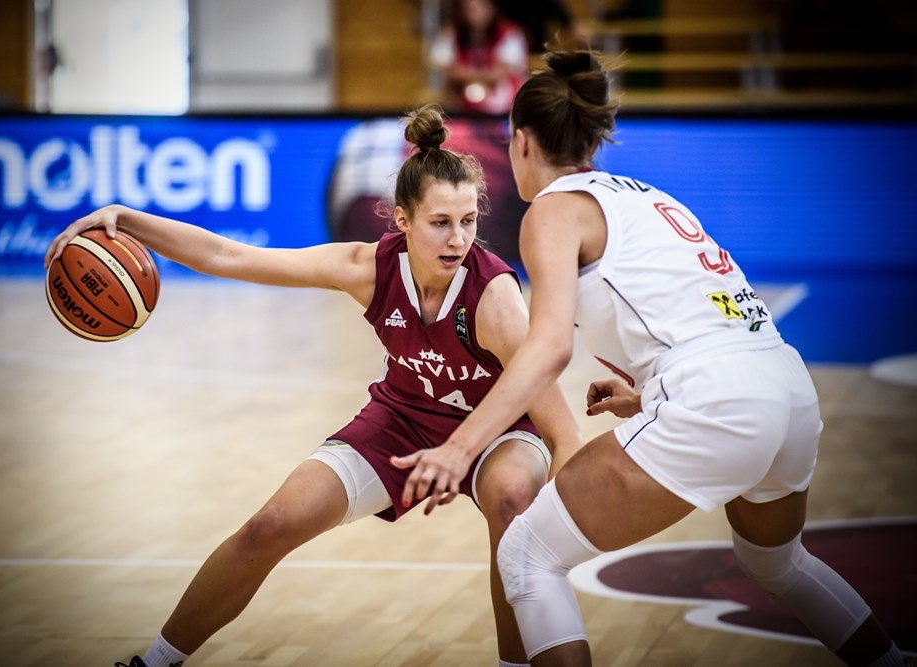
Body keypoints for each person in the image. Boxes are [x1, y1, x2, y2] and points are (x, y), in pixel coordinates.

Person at [391, 51, 906, 666]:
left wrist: (459, 447)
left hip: (717, 398)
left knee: (526, 554)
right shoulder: (649, 198)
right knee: (778, 562)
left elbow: (549, 347)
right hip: (785, 386)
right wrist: (649, 396)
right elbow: (706, 318)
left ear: (521, 141)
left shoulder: (552, 210)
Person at [44, 104, 584, 667]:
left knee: (512, 500)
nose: (458, 239)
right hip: (404, 417)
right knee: (270, 525)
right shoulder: (366, 267)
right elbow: (228, 255)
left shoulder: (494, 300)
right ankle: (154, 662)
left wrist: (566, 510)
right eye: (440, 222)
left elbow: (559, 429)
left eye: (468, 221)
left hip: (498, 428)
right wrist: (126, 218)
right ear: (402, 220)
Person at [429, 0, 530, 115]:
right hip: (462, 101)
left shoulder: (510, 33)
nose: (473, 14)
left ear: (492, 8)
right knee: (448, 86)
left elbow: (500, 73)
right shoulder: (452, 33)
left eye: (479, 7)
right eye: (469, 8)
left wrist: (467, 74)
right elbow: (446, 67)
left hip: (503, 104)